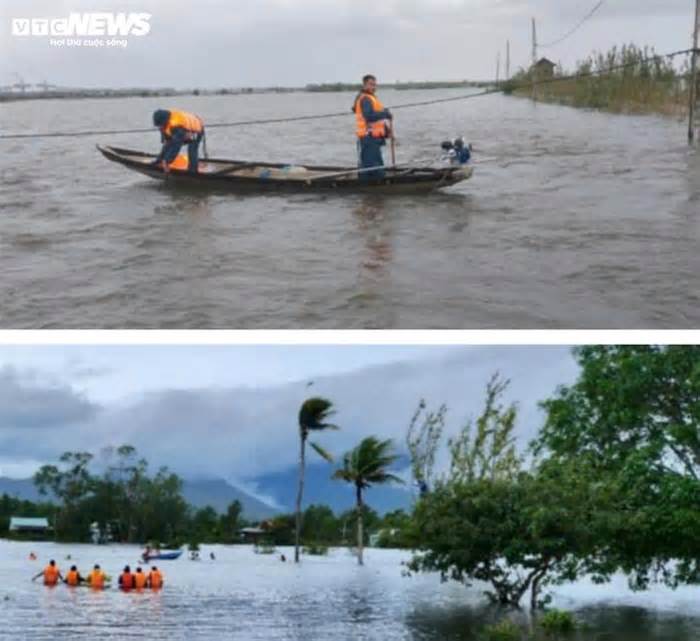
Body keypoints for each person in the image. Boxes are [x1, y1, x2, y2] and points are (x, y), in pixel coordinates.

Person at [351, 74, 393, 180]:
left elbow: (376, 117)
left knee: (375, 164)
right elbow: (368, 116)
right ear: (364, 85)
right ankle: (371, 185)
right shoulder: (365, 99)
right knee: (370, 166)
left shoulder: (370, 97)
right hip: (368, 137)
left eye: (374, 85)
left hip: (374, 137)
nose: (373, 87)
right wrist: (385, 114)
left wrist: (387, 130)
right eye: (371, 84)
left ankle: (373, 193)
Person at [151, 109, 205, 174]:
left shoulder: (176, 125)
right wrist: (159, 160)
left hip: (196, 129)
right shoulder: (164, 126)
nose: (159, 127)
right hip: (183, 132)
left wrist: (167, 161)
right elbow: (167, 145)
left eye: (160, 125)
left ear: (165, 121)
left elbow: (176, 146)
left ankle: (193, 171)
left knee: (192, 149)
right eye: (158, 126)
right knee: (169, 144)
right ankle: (160, 161)